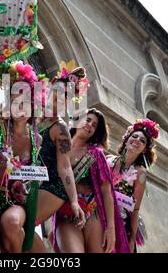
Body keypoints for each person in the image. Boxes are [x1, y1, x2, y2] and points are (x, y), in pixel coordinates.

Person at [29, 61, 89, 252]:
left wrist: (73, 201)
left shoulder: (61, 128)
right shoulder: (36, 119)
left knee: (25, 227)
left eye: (67, 97)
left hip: (54, 187)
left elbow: (65, 167)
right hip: (34, 181)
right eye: (60, 93)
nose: (62, 99)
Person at [54, 108, 130, 253]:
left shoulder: (95, 154)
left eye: (94, 125)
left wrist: (111, 228)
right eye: (87, 120)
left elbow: (107, 192)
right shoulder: (58, 145)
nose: (90, 125)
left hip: (92, 213)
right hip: (65, 213)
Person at [0, 62, 43, 253]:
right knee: (7, 243)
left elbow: (33, 177)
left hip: (15, 202)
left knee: (12, 223)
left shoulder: (37, 139)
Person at [106, 118, 159, 253]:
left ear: (144, 149)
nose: (137, 140)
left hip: (120, 222)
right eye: (134, 136)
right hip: (96, 211)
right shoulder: (108, 160)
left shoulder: (140, 173)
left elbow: (135, 210)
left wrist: (131, 239)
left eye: (142, 141)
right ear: (126, 139)